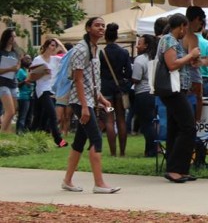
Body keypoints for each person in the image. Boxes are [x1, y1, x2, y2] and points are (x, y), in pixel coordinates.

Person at [62, 17, 120, 194]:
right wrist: (85, 107)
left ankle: (67, 180)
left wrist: (100, 98)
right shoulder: (81, 49)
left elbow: (90, 80)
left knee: (79, 141)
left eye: (103, 25)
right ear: (88, 28)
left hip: (88, 99)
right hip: (81, 102)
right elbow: (78, 80)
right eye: (97, 25)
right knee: (96, 139)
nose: (101, 28)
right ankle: (99, 184)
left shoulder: (94, 48)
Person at [157, 13, 200, 183]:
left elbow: (177, 63)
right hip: (172, 90)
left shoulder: (172, 41)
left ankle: (178, 169)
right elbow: (172, 64)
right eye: (186, 28)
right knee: (188, 127)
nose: (186, 32)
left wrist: (190, 60)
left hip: (178, 89)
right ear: (182, 26)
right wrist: (190, 55)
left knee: (175, 129)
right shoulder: (169, 40)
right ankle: (176, 169)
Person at [98, 23, 132, 157]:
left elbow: (98, 72)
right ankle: (122, 152)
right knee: (121, 119)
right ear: (117, 36)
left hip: (106, 90)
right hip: (120, 89)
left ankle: (113, 152)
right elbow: (129, 72)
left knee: (109, 120)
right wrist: (125, 84)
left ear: (105, 37)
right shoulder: (124, 52)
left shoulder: (102, 53)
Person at [30, 38, 68, 147]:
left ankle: (35, 137)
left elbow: (68, 55)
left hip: (53, 91)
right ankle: (59, 140)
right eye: (52, 45)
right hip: (43, 90)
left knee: (42, 117)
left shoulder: (55, 59)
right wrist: (43, 73)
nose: (54, 48)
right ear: (46, 46)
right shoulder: (38, 59)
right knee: (52, 114)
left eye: (55, 46)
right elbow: (32, 77)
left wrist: (60, 42)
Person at [131, 34, 158, 157]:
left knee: (146, 124)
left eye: (139, 43)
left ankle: (151, 150)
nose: (137, 46)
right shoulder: (156, 58)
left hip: (143, 93)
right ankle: (152, 149)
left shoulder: (140, 59)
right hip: (155, 93)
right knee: (152, 122)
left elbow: (136, 78)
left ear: (146, 45)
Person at [183, 6, 208, 123]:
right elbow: (193, 61)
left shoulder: (175, 35)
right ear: (197, 19)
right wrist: (203, 61)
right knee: (197, 100)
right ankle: (196, 125)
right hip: (192, 77)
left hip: (178, 77)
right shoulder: (192, 37)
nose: (200, 27)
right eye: (201, 23)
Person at [0, 28, 20, 133]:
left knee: (14, 110)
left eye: (14, 36)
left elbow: (17, 67)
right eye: (11, 36)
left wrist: (16, 68)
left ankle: (6, 131)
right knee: (10, 111)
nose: (13, 39)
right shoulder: (1, 52)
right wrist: (9, 69)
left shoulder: (15, 53)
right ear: (6, 38)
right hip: (2, 84)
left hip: (13, 83)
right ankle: (2, 133)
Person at [15, 55, 33, 134]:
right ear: (23, 60)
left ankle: (26, 132)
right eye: (27, 59)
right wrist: (25, 81)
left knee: (29, 116)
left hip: (30, 96)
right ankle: (19, 132)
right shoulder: (20, 71)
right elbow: (17, 84)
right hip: (23, 96)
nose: (29, 60)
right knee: (23, 116)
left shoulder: (28, 71)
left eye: (30, 59)